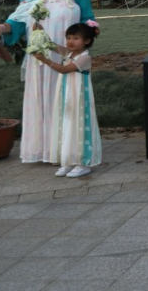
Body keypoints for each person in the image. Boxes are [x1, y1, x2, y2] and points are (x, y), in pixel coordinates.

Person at [0, 0, 94, 164]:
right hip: (39, 59)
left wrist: (90, 31)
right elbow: (17, 22)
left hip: (67, 55)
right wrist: (2, 28)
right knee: (41, 101)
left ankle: (67, 150)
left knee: (67, 101)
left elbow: (88, 20)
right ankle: (43, 150)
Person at [35, 20, 102, 178]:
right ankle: (69, 161)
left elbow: (64, 70)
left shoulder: (85, 58)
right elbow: (51, 45)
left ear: (87, 41)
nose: (70, 41)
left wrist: (45, 60)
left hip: (80, 99)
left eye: (75, 38)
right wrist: (40, 32)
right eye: (69, 38)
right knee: (67, 126)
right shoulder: (69, 53)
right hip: (66, 96)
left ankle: (83, 163)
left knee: (79, 126)